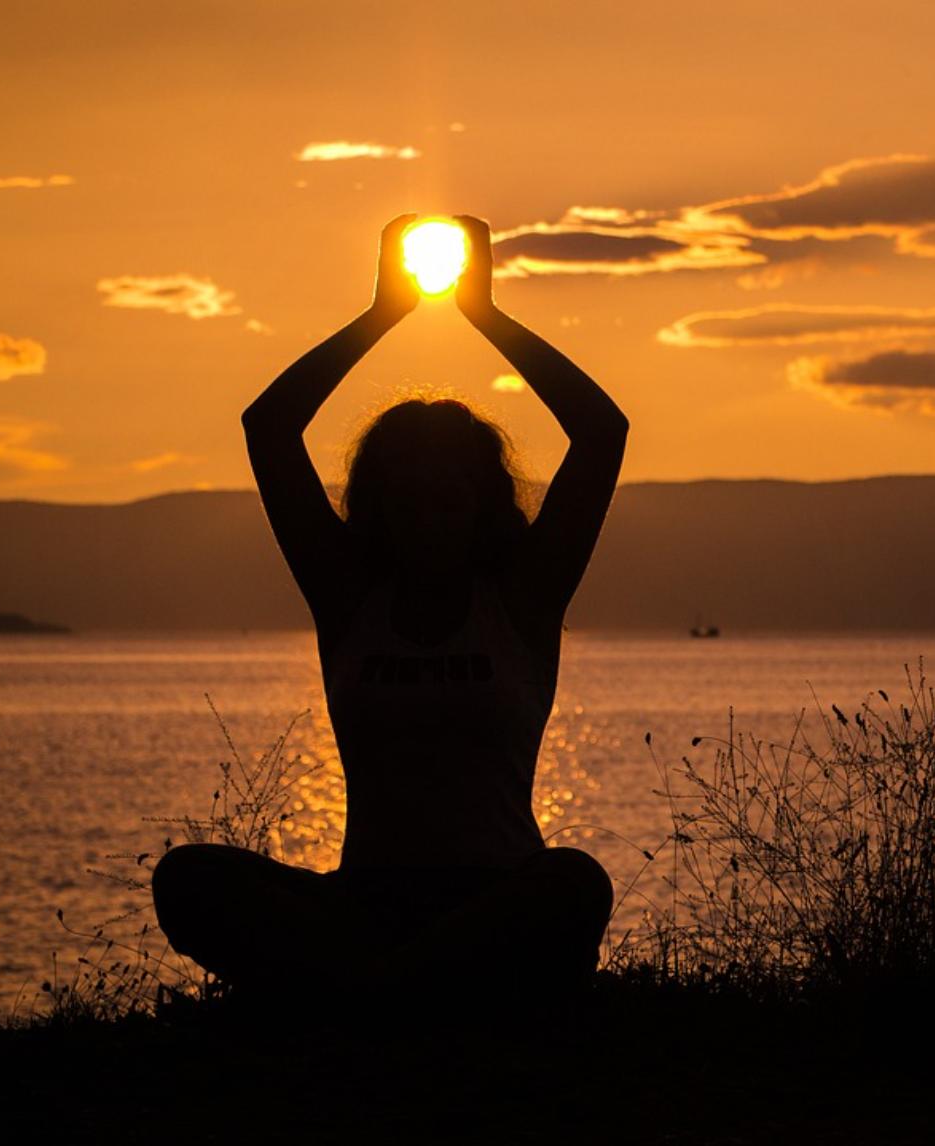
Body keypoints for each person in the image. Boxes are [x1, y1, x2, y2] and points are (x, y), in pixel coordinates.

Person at [151, 214, 625, 1007]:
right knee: (188, 877)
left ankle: (368, 997)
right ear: (378, 507)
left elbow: (601, 432)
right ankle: (402, 993)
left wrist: (485, 315)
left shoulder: (523, 599)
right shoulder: (348, 598)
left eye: (448, 498)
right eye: (407, 500)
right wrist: (382, 315)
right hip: (364, 906)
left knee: (574, 883)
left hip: (494, 902)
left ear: (482, 505)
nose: (428, 517)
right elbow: (268, 428)